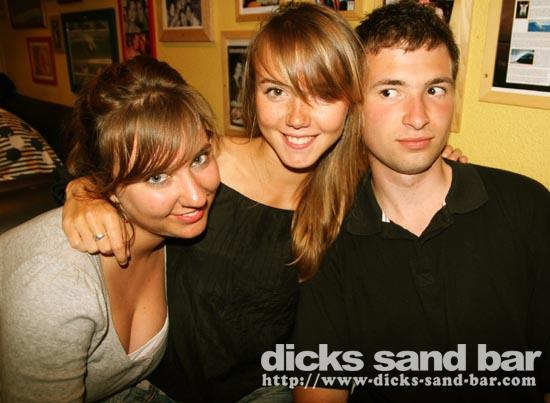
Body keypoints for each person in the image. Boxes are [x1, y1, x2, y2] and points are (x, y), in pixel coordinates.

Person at [59, 3, 466, 402]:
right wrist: (83, 191)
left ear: (351, 103)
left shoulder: (353, 194)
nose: (296, 118)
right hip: (155, 387)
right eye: (276, 91)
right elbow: (113, 168)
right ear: (251, 94)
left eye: (322, 94)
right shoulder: (203, 164)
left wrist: (435, 167)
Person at [291, 2, 550, 403]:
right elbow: (320, 388)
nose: (418, 117)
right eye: (390, 91)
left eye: (434, 90)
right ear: (354, 106)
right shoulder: (331, 231)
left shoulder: (527, 207)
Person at [0, 56, 220, 402]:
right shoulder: (57, 286)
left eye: (199, 158)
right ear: (106, 184)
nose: (196, 196)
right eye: (157, 177)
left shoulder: (168, 229)